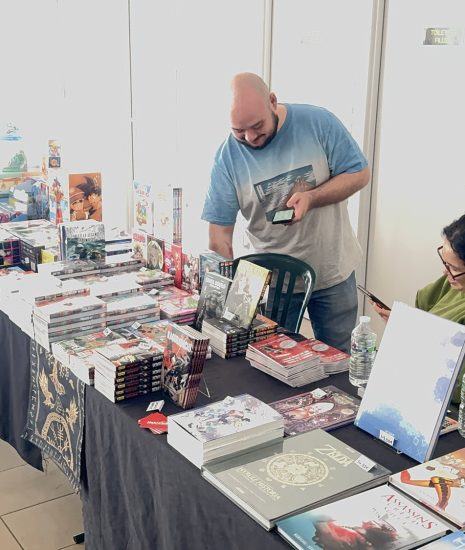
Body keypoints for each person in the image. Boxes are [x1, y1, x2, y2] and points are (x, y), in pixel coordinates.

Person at [201, 72, 370, 352]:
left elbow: (359, 173)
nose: (251, 138)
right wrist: (223, 292)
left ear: (272, 101)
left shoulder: (318, 122)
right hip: (273, 283)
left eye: (257, 126)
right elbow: (219, 235)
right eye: (239, 131)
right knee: (270, 360)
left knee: (338, 359)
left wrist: (312, 197)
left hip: (332, 271)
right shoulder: (226, 158)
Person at [371, 214, 465, 403]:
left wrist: (409, 334)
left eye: (453, 268)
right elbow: (424, 320)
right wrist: (404, 324)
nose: (445, 271)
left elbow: (455, 385)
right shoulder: (451, 284)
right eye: (444, 262)